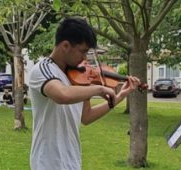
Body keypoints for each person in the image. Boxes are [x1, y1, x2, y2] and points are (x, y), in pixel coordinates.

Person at [29, 17, 141, 170]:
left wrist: (120, 96)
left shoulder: (78, 79)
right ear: (66, 45)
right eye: (83, 52)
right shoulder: (43, 70)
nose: (84, 58)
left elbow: (86, 116)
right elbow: (62, 95)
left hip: (72, 162)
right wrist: (99, 88)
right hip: (48, 163)